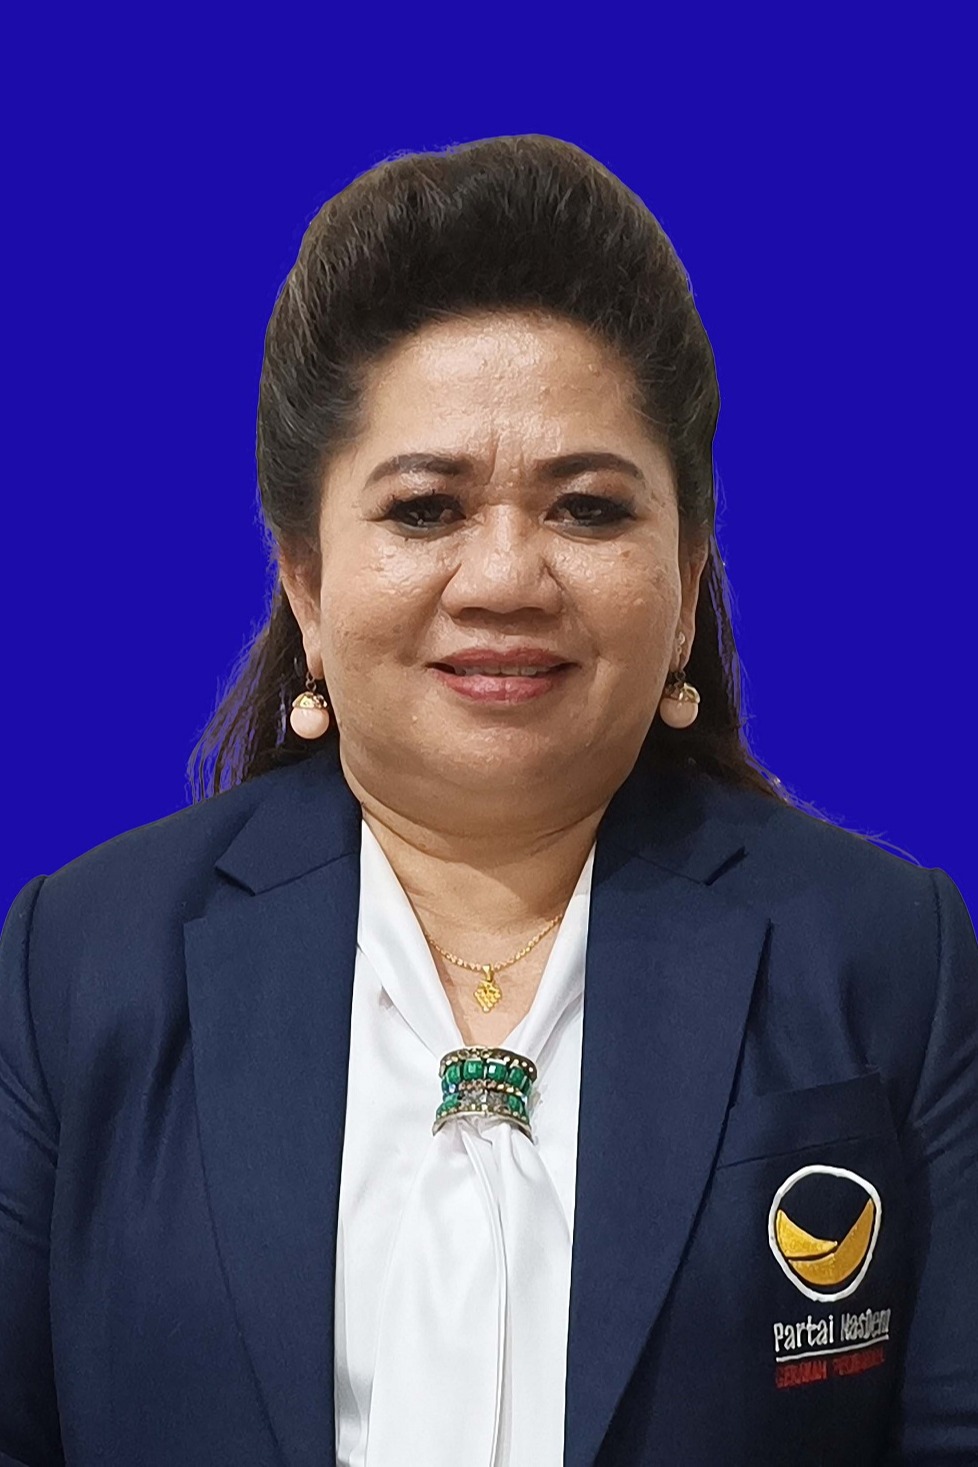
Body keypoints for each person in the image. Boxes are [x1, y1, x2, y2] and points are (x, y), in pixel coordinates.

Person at [1, 134, 975, 1467]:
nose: (507, 578)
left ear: (686, 582)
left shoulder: (889, 956)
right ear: (305, 584)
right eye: (425, 510)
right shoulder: (79, 962)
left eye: (588, 510)